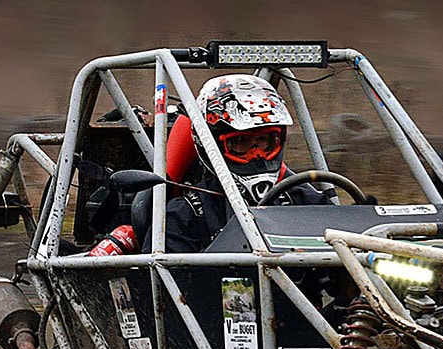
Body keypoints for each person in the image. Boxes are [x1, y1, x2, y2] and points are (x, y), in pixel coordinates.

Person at [136, 74, 332, 253]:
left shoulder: (301, 199)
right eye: (241, 143)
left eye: (265, 142)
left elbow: (349, 237)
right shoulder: (186, 214)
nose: (256, 155)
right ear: (212, 145)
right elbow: (165, 285)